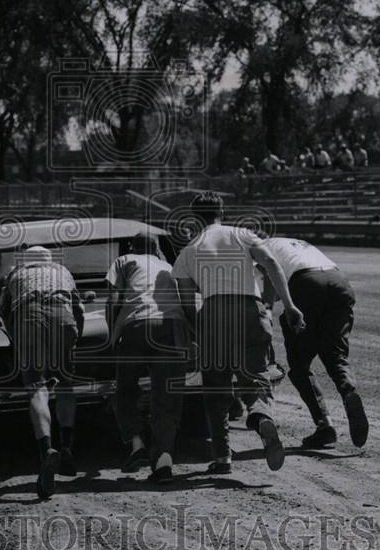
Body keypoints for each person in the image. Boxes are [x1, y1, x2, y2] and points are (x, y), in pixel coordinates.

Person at [171, 192, 306, 474]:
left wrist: (200, 330)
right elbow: (271, 263)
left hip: (213, 310)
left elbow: (185, 301)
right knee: (255, 374)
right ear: (222, 211)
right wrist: (290, 306)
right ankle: (260, 415)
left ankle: (222, 457)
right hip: (250, 307)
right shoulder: (242, 234)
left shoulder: (189, 248)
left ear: (195, 217)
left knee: (216, 387)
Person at [261, 236, 369, 450]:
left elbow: (269, 296)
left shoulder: (260, 248)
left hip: (306, 283)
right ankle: (348, 391)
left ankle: (324, 425)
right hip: (339, 281)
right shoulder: (292, 242)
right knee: (335, 353)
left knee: (300, 365)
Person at [0, 246, 85, 500]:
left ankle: (46, 450)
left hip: (30, 314)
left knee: (37, 386)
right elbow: (77, 308)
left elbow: (4, 311)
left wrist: (17, 339)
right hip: (63, 315)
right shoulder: (63, 271)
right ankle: (67, 446)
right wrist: (74, 335)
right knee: (66, 383)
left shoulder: (16, 274)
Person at [106, 233, 188, 484]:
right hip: (171, 325)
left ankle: (136, 442)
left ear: (132, 246)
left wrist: (112, 334)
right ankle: (163, 459)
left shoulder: (124, 260)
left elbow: (114, 299)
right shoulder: (168, 266)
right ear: (156, 250)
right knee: (167, 397)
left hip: (136, 324)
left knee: (125, 389)